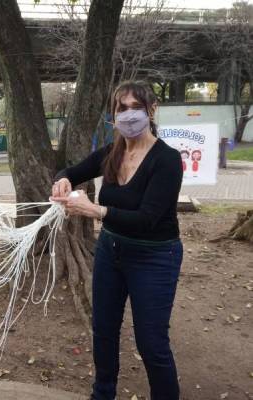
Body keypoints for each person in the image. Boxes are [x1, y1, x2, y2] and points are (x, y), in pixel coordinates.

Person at [51, 81, 183, 400]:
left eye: (136, 108)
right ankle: (103, 393)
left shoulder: (166, 160)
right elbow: (70, 169)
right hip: (111, 252)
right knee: (104, 332)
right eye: (121, 109)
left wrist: (94, 210)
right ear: (113, 115)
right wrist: (63, 180)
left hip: (154, 257)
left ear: (152, 111)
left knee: (152, 343)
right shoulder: (113, 151)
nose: (129, 115)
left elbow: (146, 219)